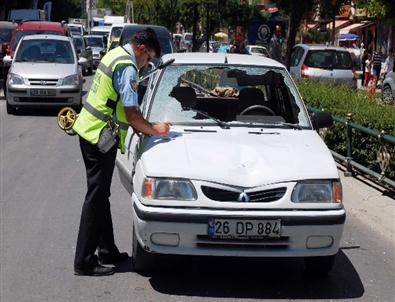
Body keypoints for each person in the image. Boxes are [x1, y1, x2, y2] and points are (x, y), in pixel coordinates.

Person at [72, 28, 171, 276]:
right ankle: (84, 260)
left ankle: (107, 251)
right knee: (96, 198)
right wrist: (155, 130)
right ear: (140, 48)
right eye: (148, 58)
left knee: (100, 195)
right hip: (99, 137)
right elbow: (132, 114)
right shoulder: (127, 67)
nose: (146, 63)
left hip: (89, 132)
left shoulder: (114, 53)